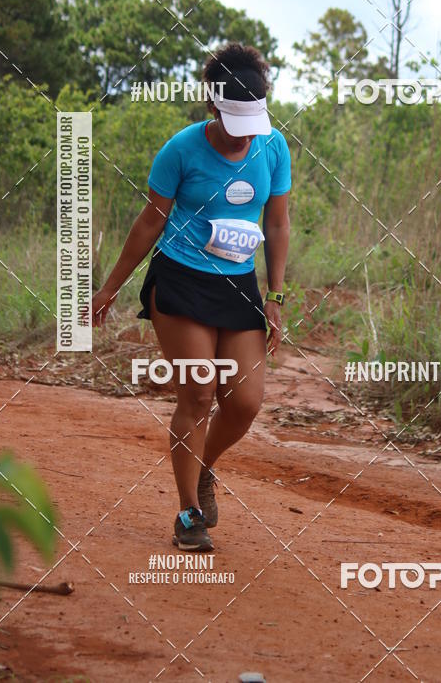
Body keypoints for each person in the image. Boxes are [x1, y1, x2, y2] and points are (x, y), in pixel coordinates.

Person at [91, 43, 291, 552]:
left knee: (244, 402)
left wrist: (276, 295)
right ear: (212, 105)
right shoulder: (180, 149)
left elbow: (277, 223)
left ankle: (203, 467)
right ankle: (188, 514)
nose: (244, 134)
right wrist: (109, 288)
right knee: (199, 393)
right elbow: (150, 222)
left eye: (252, 122)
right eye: (234, 122)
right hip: (181, 278)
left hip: (238, 284)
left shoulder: (273, 147)